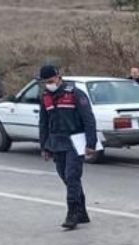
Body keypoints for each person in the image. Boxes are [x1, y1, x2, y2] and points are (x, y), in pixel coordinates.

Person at [37, 64, 98, 230]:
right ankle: (82, 211)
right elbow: (43, 123)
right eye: (45, 82)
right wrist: (44, 147)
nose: (48, 84)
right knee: (65, 177)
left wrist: (91, 143)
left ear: (58, 77)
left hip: (74, 142)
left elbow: (89, 119)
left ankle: (72, 214)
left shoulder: (75, 94)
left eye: (50, 80)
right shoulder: (45, 97)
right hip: (56, 143)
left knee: (72, 177)